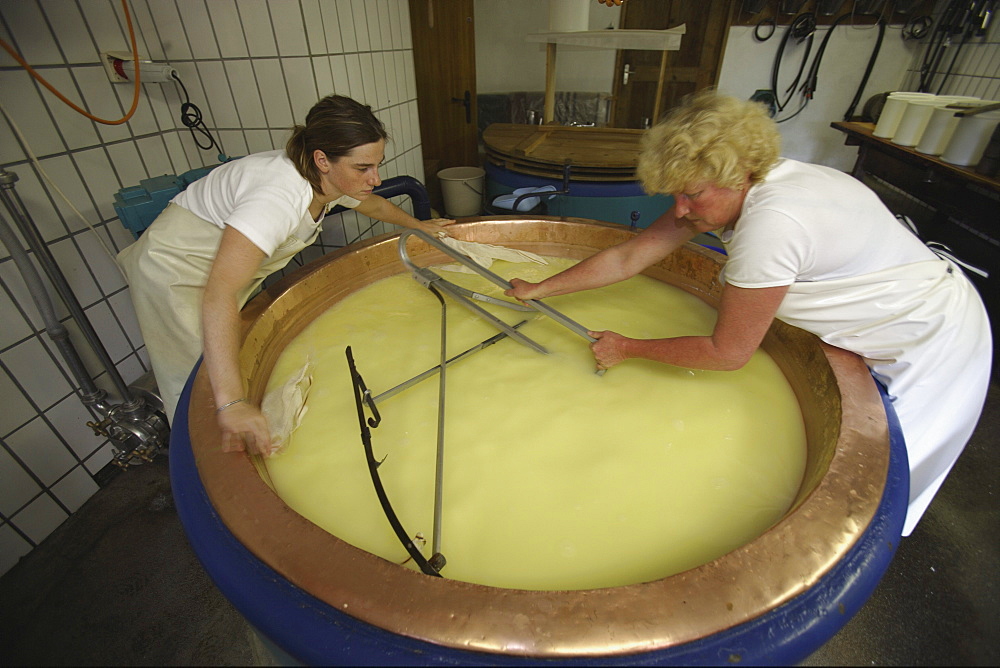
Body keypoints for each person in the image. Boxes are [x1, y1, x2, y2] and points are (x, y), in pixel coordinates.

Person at [505, 90, 992, 537]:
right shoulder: (743, 186)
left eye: (691, 194)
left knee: (873, 499)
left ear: (738, 175)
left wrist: (626, 348)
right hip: (905, 311)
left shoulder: (774, 224)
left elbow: (729, 352)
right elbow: (630, 257)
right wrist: (541, 288)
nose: (678, 209)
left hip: (928, 342)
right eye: (673, 194)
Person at [118, 95, 453, 455]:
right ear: (322, 159)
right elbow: (220, 296)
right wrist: (231, 403)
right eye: (362, 168)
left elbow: (372, 203)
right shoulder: (277, 197)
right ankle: (213, 463)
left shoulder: (327, 180)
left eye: (377, 165)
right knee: (202, 386)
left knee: (231, 362)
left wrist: (419, 226)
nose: (376, 177)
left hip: (220, 276)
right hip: (176, 275)